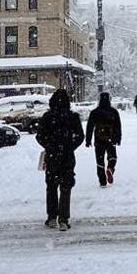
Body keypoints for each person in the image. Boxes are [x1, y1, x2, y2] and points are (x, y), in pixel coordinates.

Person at [35, 88, 84, 230]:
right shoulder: (72, 116)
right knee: (66, 186)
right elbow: (80, 136)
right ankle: (64, 219)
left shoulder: (47, 117)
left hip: (52, 156)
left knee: (51, 186)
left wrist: (50, 146)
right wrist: (70, 146)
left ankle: (51, 217)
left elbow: (39, 136)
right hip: (67, 156)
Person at [84, 91, 122, 187]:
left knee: (99, 159)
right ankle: (110, 168)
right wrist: (118, 138)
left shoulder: (94, 112)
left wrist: (88, 140)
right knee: (113, 157)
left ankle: (102, 181)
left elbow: (90, 127)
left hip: (98, 139)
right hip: (110, 138)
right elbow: (118, 126)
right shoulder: (113, 112)